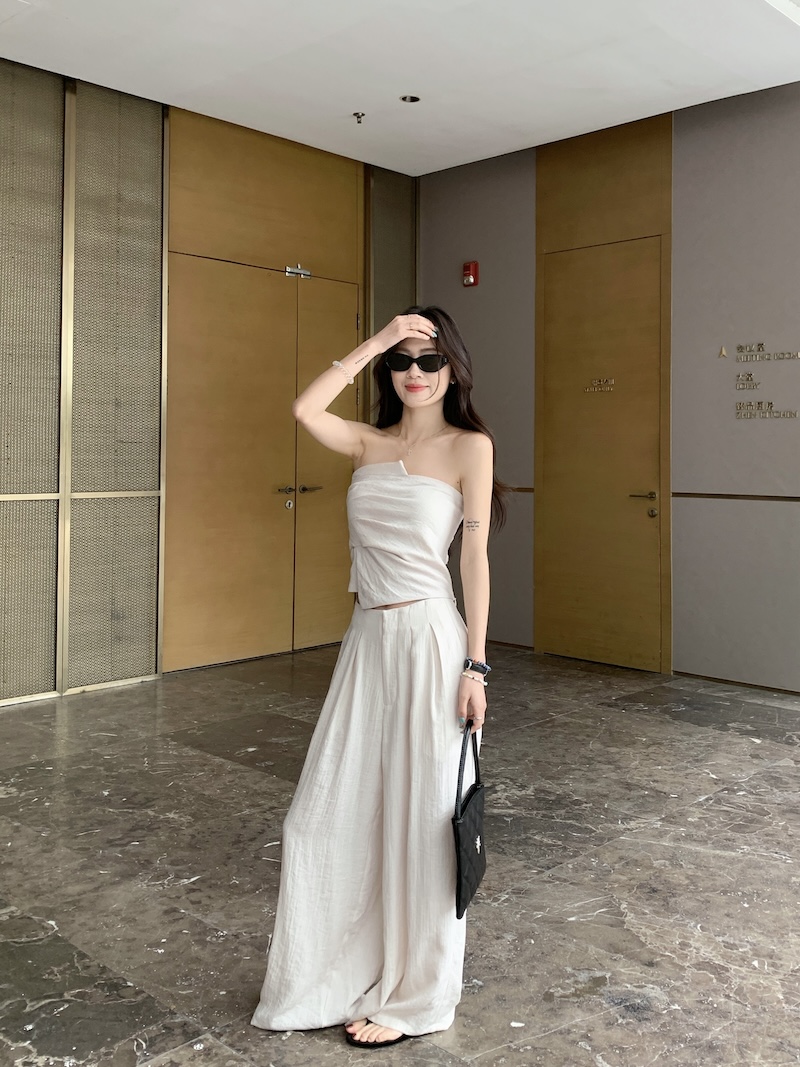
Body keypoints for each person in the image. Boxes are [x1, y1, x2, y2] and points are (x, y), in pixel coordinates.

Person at [250, 306, 506, 1049]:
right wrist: (380, 338)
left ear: (453, 368)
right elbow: (305, 409)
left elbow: (475, 559)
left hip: (431, 639)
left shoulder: (470, 447)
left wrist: (476, 665)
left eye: (429, 359)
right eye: (403, 362)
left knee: (424, 821)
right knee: (327, 815)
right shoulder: (367, 442)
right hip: (367, 639)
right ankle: (338, 974)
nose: (415, 373)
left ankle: (419, 996)